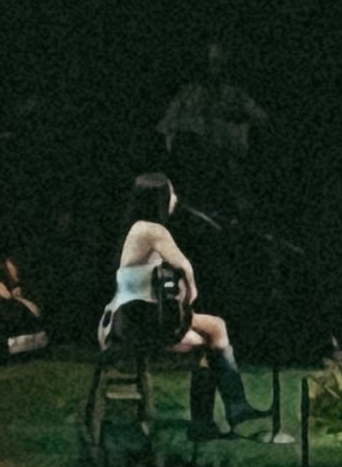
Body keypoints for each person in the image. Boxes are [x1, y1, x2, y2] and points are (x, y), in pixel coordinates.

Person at [100, 173, 267, 437]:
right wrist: (191, 292)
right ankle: (231, 408)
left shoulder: (135, 228)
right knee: (216, 331)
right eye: (171, 193)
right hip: (139, 324)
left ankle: (212, 419)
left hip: (128, 320)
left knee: (211, 338)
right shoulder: (153, 230)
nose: (176, 198)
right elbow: (184, 265)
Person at [156, 43, 268, 208]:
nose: (215, 69)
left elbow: (261, 118)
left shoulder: (234, 95)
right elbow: (166, 126)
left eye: (219, 63)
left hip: (224, 158)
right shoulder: (188, 94)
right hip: (194, 156)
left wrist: (232, 121)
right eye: (211, 63)